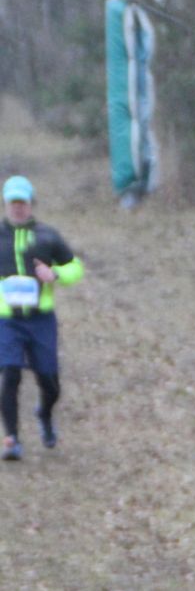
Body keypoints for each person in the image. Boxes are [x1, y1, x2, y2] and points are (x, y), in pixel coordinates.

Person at [1, 175, 84, 461]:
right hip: (6, 320)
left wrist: (55, 274)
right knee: (9, 373)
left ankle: (44, 413)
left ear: (31, 203)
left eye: (22, 202)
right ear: (5, 204)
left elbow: (76, 268)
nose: (18, 207)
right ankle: (11, 439)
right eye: (13, 202)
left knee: (49, 382)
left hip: (41, 320)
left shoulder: (47, 236)